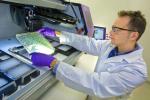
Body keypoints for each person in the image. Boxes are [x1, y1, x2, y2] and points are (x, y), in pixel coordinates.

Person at [31, 10, 147, 100]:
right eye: (113, 28)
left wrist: (53, 63)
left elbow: (97, 84)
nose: (111, 33)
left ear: (133, 36)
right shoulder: (110, 46)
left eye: (116, 29)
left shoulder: (137, 72)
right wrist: (57, 33)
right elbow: (87, 43)